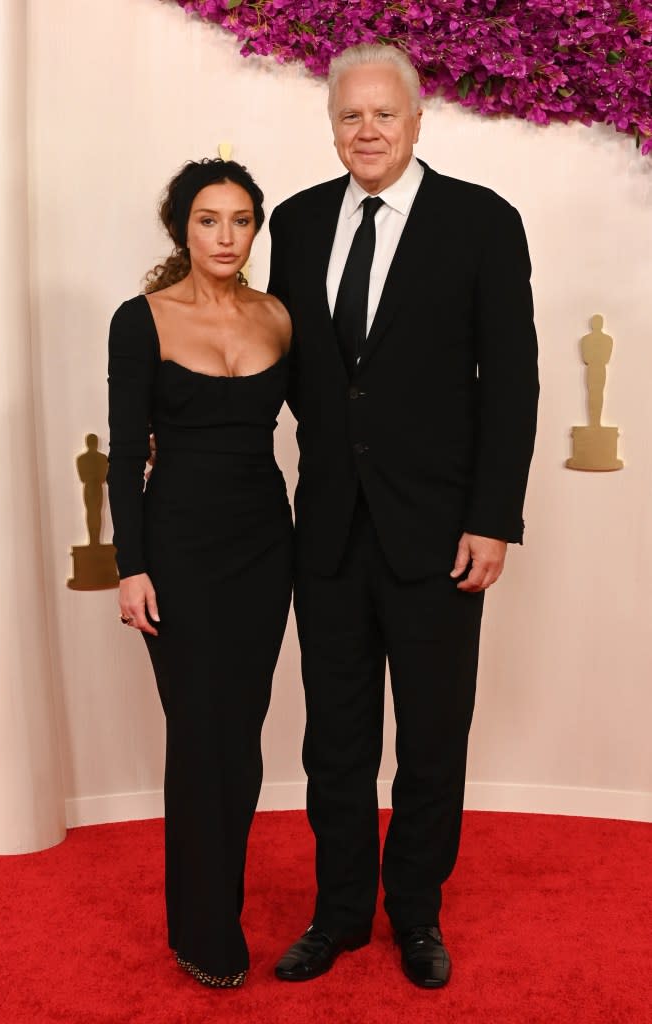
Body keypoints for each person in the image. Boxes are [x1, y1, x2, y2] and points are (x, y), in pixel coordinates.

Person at [268, 44, 539, 988]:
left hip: (439, 533)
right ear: (332, 125)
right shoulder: (296, 224)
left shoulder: (481, 221)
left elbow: (511, 382)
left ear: (418, 120)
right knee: (333, 739)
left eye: (385, 114)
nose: (368, 130)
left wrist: (492, 517)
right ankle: (339, 913)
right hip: (330, 531)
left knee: (431, 736)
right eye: (351, 116)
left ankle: (415, 912)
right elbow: (295, 369)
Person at [107, 158, 293, 988]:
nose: (226, 236)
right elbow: (122, 454)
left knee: (241, 732)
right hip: (178, 548)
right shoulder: (139, 318)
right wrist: (132, 566)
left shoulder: (280, 316)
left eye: (241, 220)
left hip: (264, 543)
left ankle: (224, 901)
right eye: (209, 219)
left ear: (256, 228)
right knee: (198, 731)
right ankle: (202, 927)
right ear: (180, 227)